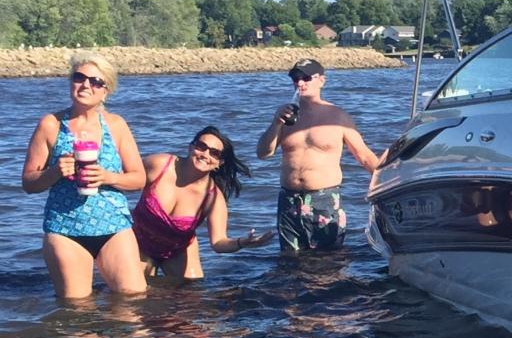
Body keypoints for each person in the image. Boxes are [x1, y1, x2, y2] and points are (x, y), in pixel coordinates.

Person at [22, 51, 147, 299]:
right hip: (65, 228)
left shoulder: (116, 125)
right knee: (77, 309)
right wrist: (55, 172)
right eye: (79, 77)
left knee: (133, 300)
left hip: (113, 226)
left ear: (106, 91)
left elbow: (139, 179)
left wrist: (108, 177)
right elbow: (28, 182)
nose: (86, 85)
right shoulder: (51, 125)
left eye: (96, 81)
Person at [256, 58, 379, 252]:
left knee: (329, 262)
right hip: (289, 201)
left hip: (325, 200)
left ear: (321, 80)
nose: (300, 83)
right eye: (295, 78)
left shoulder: (338, 116)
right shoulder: (285, 117)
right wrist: (276, 123)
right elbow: (263, 153)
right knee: (290, 261)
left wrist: (389, 180)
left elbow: (363, 156)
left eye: (306, 78)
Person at [133, 126, 273, 279]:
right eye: (201, 146)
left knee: (192, 290)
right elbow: (127, 178)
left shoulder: (213, 198)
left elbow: (218, 243)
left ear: (219, 163)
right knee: (134, 290)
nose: (205, 154)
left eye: (214, 153)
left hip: (177, 249)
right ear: (190, 147)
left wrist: (242, 242)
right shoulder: (160, 165)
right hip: (138, 242)